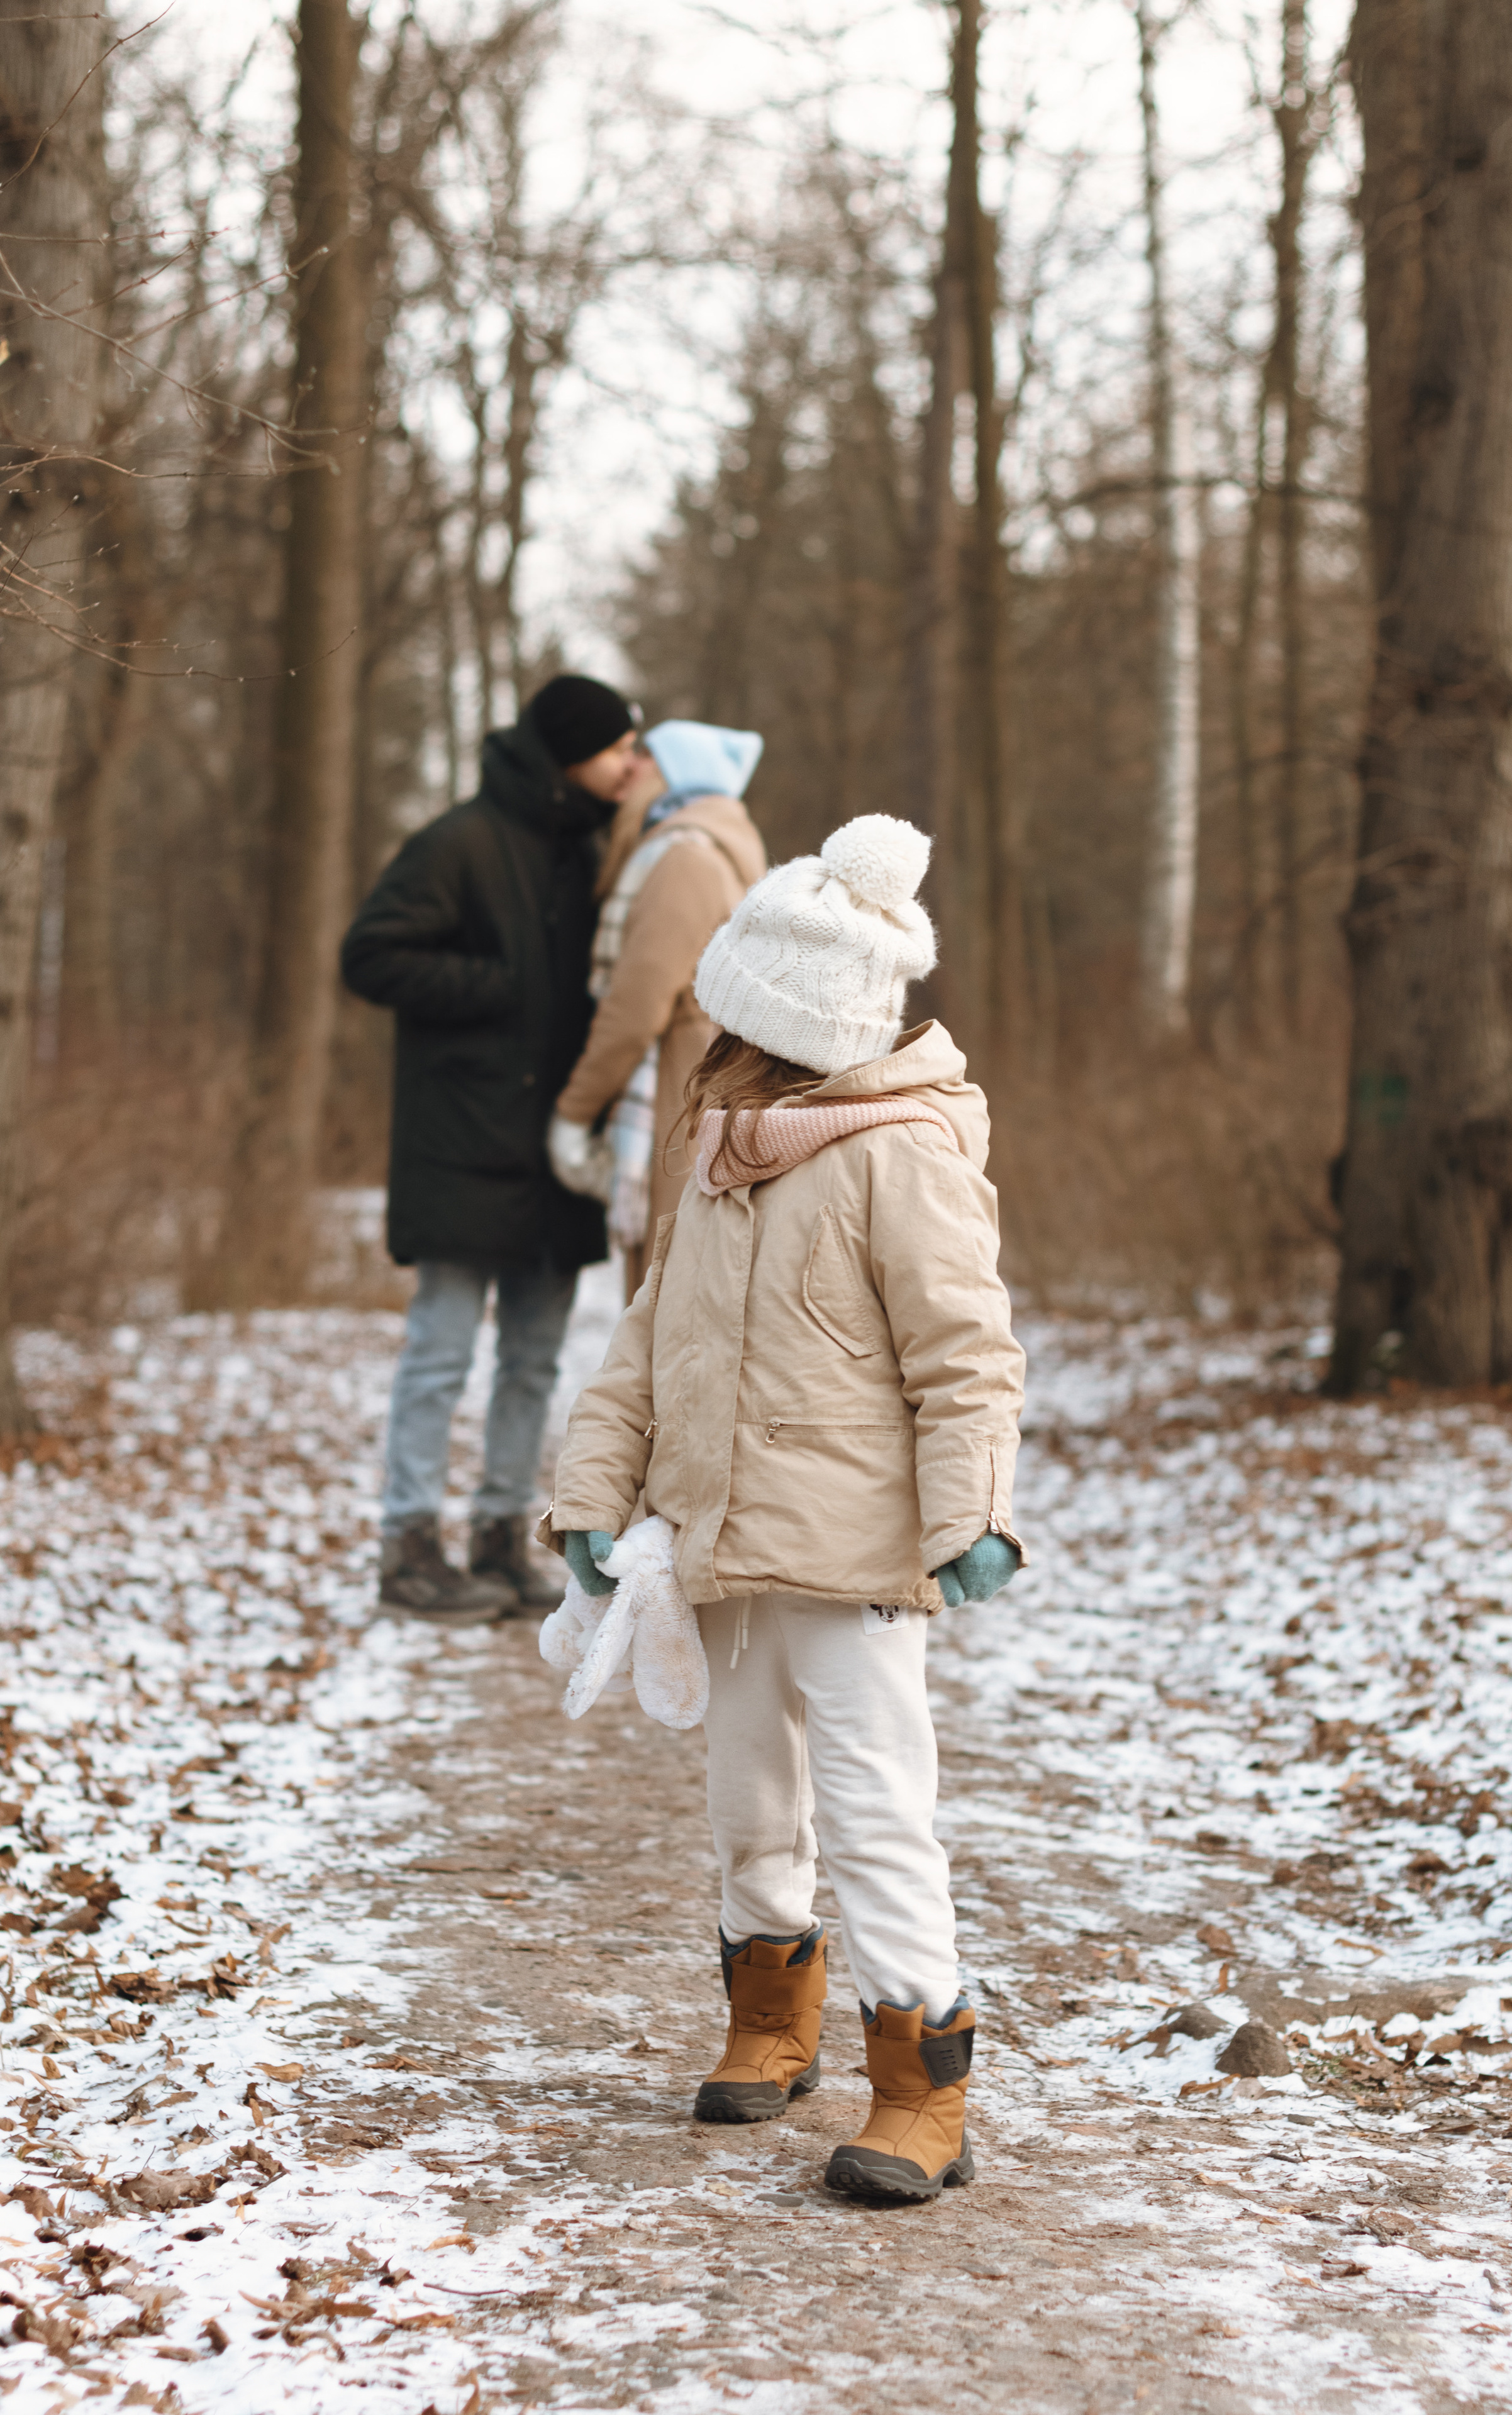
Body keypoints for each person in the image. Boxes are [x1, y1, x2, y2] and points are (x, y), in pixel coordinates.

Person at [537, 813, 1026, 2203]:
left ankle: (921, 2086)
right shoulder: (719, 1150)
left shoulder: (900, 1153)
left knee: (875, 1809)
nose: (719, 1052)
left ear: (808, 1026)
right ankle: (768, 2020)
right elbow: (646, 1336)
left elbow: (963, 1353)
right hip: (717, 1542)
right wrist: (596, 1489)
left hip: (859, 1553)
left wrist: (969, 1515)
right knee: (747, 1798)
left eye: (742, 1030)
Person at [341, 672, 639, 1623]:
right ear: (570, 752)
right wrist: (499, 988)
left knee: (534, 1359)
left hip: (556, 1150)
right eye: (618, 746)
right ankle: (408, 1548)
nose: (632, 762)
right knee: (440, 1351)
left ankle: (502, 1540)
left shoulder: (592, 846)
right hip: (464, 1141)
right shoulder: (460, 841)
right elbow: (371, 954)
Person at [545, 720, 767, 1297]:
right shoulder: (711, 848)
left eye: (645, 755)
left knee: (665, 1312)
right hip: (700, 1102)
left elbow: (634, 1008)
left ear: (676, 774)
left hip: (679, 1107)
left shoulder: (683, 859)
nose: (631, 766)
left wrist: (574, 1112)